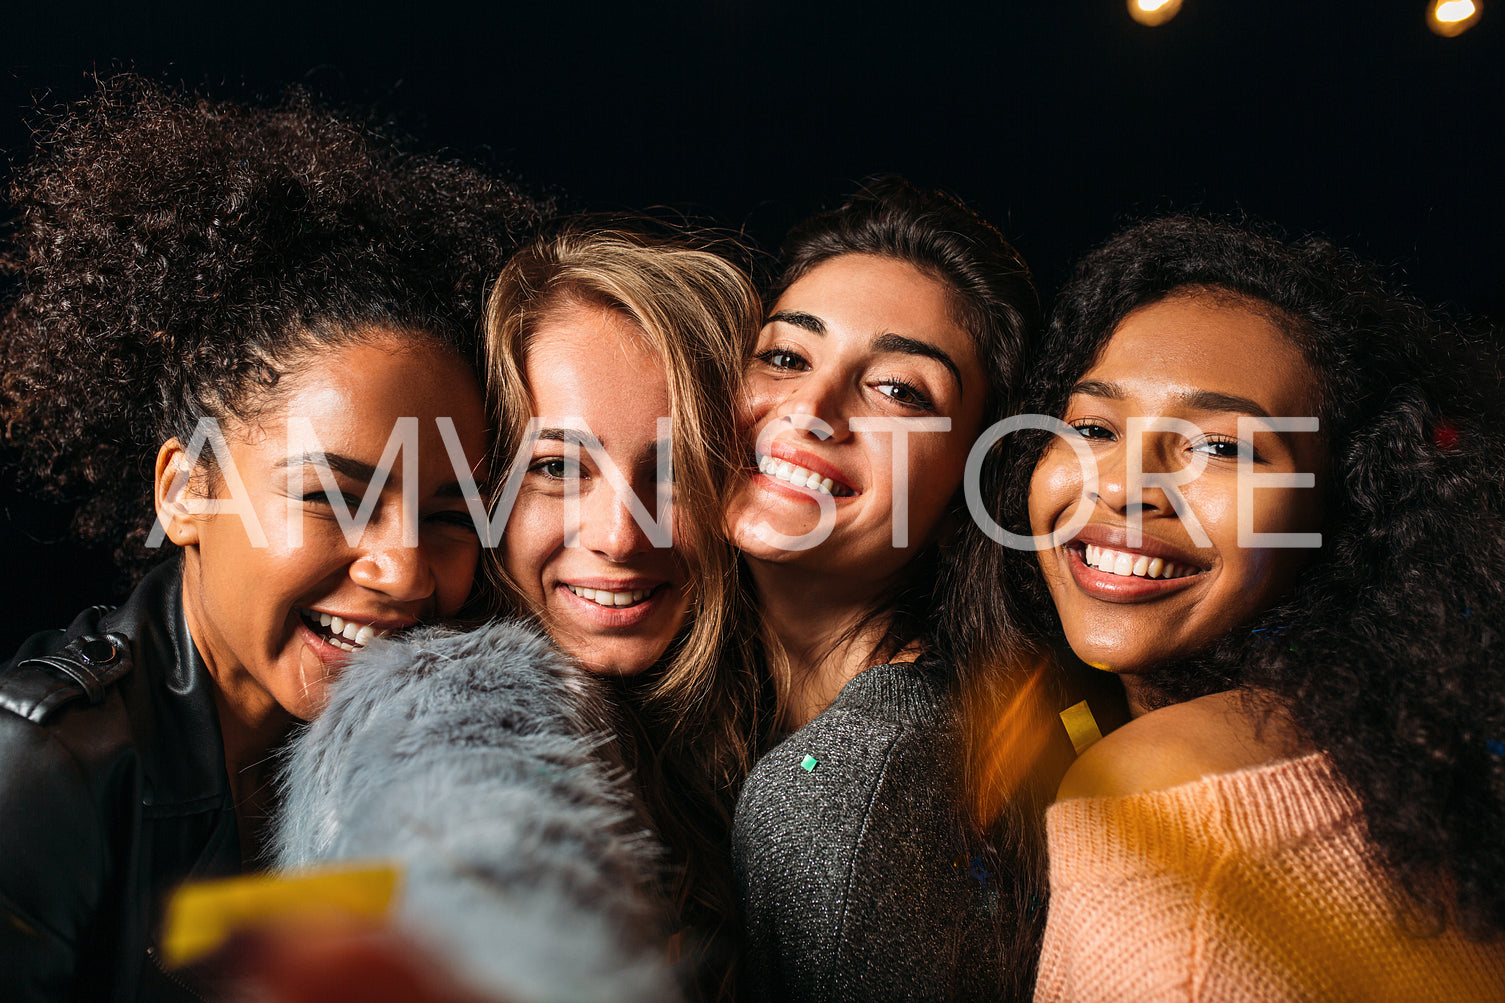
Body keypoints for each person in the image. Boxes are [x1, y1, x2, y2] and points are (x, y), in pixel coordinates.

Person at [0, 76, 539, 1000]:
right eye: (333, 494)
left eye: (451, 514)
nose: (404, 568)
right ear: (184, 492)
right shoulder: (42, 767)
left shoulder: (420, 749)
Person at [996, 215, 1505, 1001]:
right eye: (1091, 425)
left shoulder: (1159, 798)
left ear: (1345, 510)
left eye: (1223, 447)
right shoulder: (1405, 771)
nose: (1125, 485)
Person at [274, 222, 764, 1002]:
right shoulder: (442, 696)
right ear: (484, 489)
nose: (618, 534)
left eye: (673, 469)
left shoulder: (737, 729)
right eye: (557, 468)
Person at [727, 177, 1067, 1002]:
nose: (812, 406)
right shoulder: (733, 714)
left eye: (899, 389)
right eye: (784, 355)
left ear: (970, 492)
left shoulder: (853, 781)